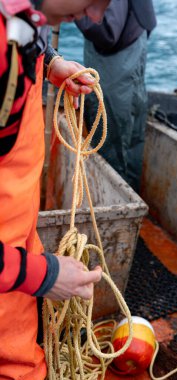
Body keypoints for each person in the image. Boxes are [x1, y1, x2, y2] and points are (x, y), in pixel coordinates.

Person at [0, 0, 110, 379]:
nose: (96, 17)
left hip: (14, 249)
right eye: (97, 0)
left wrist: (47, 62)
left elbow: (18, 30)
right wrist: (42, 276)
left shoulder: (15, 21)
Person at [76, 0, 156, 192]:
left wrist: (72, 10)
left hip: (117, 53)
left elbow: (107, 32)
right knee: (130, 137)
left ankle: (117, 209)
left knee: (111, 138)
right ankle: (130, 205)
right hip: (134, 36)